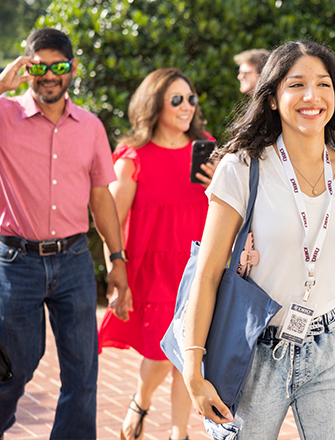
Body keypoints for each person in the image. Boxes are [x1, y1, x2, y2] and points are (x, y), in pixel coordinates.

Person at [182, 40, 335, 440]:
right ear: (271, 99)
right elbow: (209, 272)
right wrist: (193, 366)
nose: (311, 96)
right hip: (253, 350)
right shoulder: (241, 167)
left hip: (329, 345)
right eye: (296, 84)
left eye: (323, 84)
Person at [0, 28, 129, 439]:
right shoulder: (2, 115)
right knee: (13, 366)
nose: (48, 75)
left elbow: (101, 198)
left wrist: (116, 260)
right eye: (38, 65)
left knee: (82, 370)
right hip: (17, 262)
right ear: (26, 66)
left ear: (72, 69)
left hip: (73, 261)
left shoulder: (90, 126)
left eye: (58, 66)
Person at [97, 68, 216, 440]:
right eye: (176, 100)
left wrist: (220, 186)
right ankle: (140, 400)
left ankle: (178, 433)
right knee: (161, 355)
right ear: (154, 104)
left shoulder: (207, 147)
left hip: (197, 267)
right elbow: (111, 223)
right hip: (153, 271)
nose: (186, 107)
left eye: (191, 99)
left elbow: (227, 212)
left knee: (187, 353)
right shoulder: (133, 158)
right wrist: (116, 275)